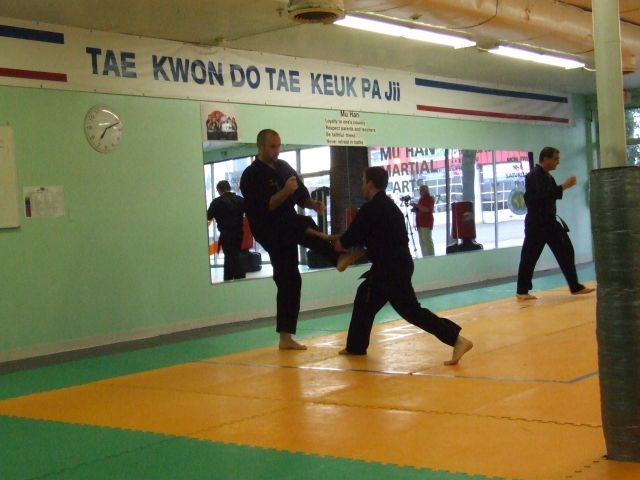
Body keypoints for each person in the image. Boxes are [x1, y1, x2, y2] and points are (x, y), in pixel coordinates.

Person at [333, 166, 473, 365]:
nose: (361, 185)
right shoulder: (391, 207)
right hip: (396, 265)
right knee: (365, 298)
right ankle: (355, 346)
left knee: (411, 311)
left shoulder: (370, 209)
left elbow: (346, 242)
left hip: (390, 269)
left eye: (363, 181)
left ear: (370, 183)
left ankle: (457, 340)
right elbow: (378, 239)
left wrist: (337, 245)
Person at [240, 128, 360, 350]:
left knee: (290, 279)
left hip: (287, 226)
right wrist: (286, 191)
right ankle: (336, 256)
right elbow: (266, 206)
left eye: (279, 146)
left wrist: (312, 204)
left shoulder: (283, 167)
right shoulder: (250, 175)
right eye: (272, 146)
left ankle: (285, 338)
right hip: (267, 227)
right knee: (300, 224)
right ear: (260, 146)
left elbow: (300, 194)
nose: (277, 150)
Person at [515, 146, 595, 300]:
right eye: (555, 159)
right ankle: (522, 290)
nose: (558, 162)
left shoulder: (547, 176)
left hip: (549, 222)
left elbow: (550, 195)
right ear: (545, 159)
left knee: (566, 250)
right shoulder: (533, 176)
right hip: (537, 223)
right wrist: (564, 186)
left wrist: (561, 188)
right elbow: (540, 197)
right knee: (529, 256)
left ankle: (575, 286)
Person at [207, 180, 246, 281]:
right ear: (229, 188)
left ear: (219, 190)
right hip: (239, 233)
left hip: (226, 234)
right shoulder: (240, 200)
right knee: (236, 255)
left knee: (229, 257)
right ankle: (239, 279)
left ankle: (229, 280)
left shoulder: (217, 202)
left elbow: (208, 216)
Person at [412, 184, 435, 257]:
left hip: (426, 222)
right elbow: (420, 209)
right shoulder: (421, 199)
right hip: (419, 222)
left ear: (425, 191)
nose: (420, 192)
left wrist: (417, 205)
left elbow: (427, 209)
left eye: (421, 190)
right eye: (419, 190)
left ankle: (431, 256)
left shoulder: (430, 198)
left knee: (427, 240)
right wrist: (415, 208)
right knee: (422, 241)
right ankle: (425, 256)